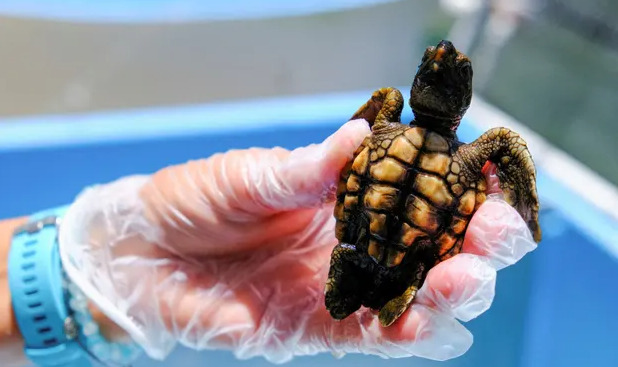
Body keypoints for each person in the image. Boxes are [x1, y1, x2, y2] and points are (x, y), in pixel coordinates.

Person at [0, 119, 537, 367]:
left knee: (417, 282)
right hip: (364, 235)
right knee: (380, 280)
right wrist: (109, 261)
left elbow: (363, 137)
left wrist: (89, 271)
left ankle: (390, 284)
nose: (439, 61)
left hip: (361, 230)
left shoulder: (404, 129)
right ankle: (382, 281)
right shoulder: (475, 150)